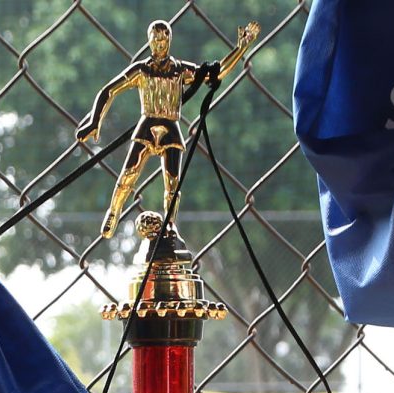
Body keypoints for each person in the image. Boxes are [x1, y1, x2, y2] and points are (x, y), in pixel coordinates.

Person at [76, 19, 259, 241]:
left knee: (172, 183)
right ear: (149, 41)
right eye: (155, 39)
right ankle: (113, 212)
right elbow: (109, 90)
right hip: (147, 126)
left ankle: (169, 225)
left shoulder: (180, 69)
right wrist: (95, 121)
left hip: (171, 128)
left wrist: (240, 49)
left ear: (169, 41)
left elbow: (216, 72)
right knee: (127, 175)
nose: (159, 44)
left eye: (163, 40)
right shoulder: (141, 70)